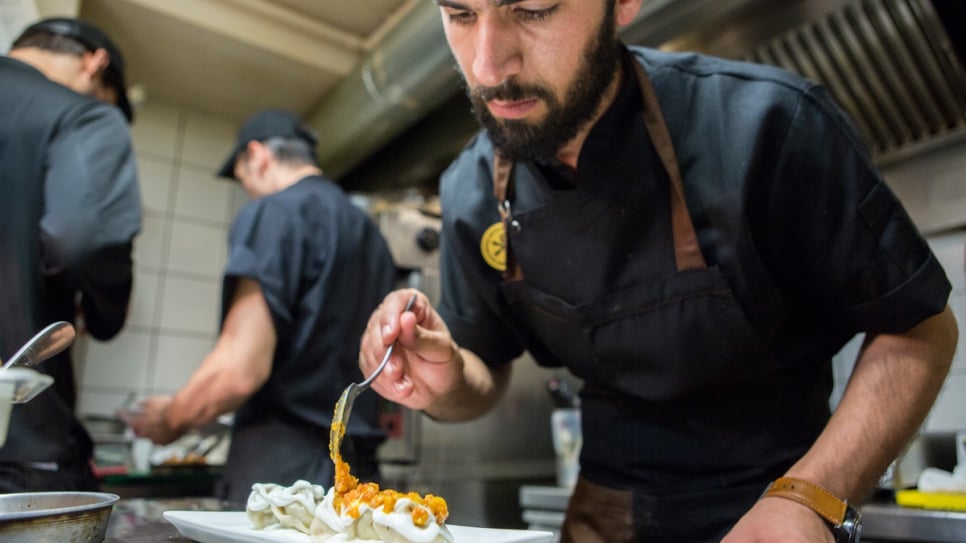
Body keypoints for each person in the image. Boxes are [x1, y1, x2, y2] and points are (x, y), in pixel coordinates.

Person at [358, 1, 959, 541]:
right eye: (460, 14)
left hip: (781, 497)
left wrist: (810, 499)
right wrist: (444, 380)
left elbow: (920, 328)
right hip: (603, 511)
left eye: (534, 9)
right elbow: (479, 375)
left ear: (623, 4)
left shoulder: (767, 124)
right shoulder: (471, 188)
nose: (488, 65)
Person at [128, 109, 397, 504]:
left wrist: (170, 419)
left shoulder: (274, 211)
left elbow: (240, 369)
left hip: (283, 478)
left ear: (258, 156)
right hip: (360, 474)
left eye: (243, 177)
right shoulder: (372, 237)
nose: (248, 190)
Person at [0, 17, 141, 492]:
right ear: (94, 64)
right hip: (18, 446)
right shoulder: (83, 115)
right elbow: (84, 239)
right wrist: (105, 312)